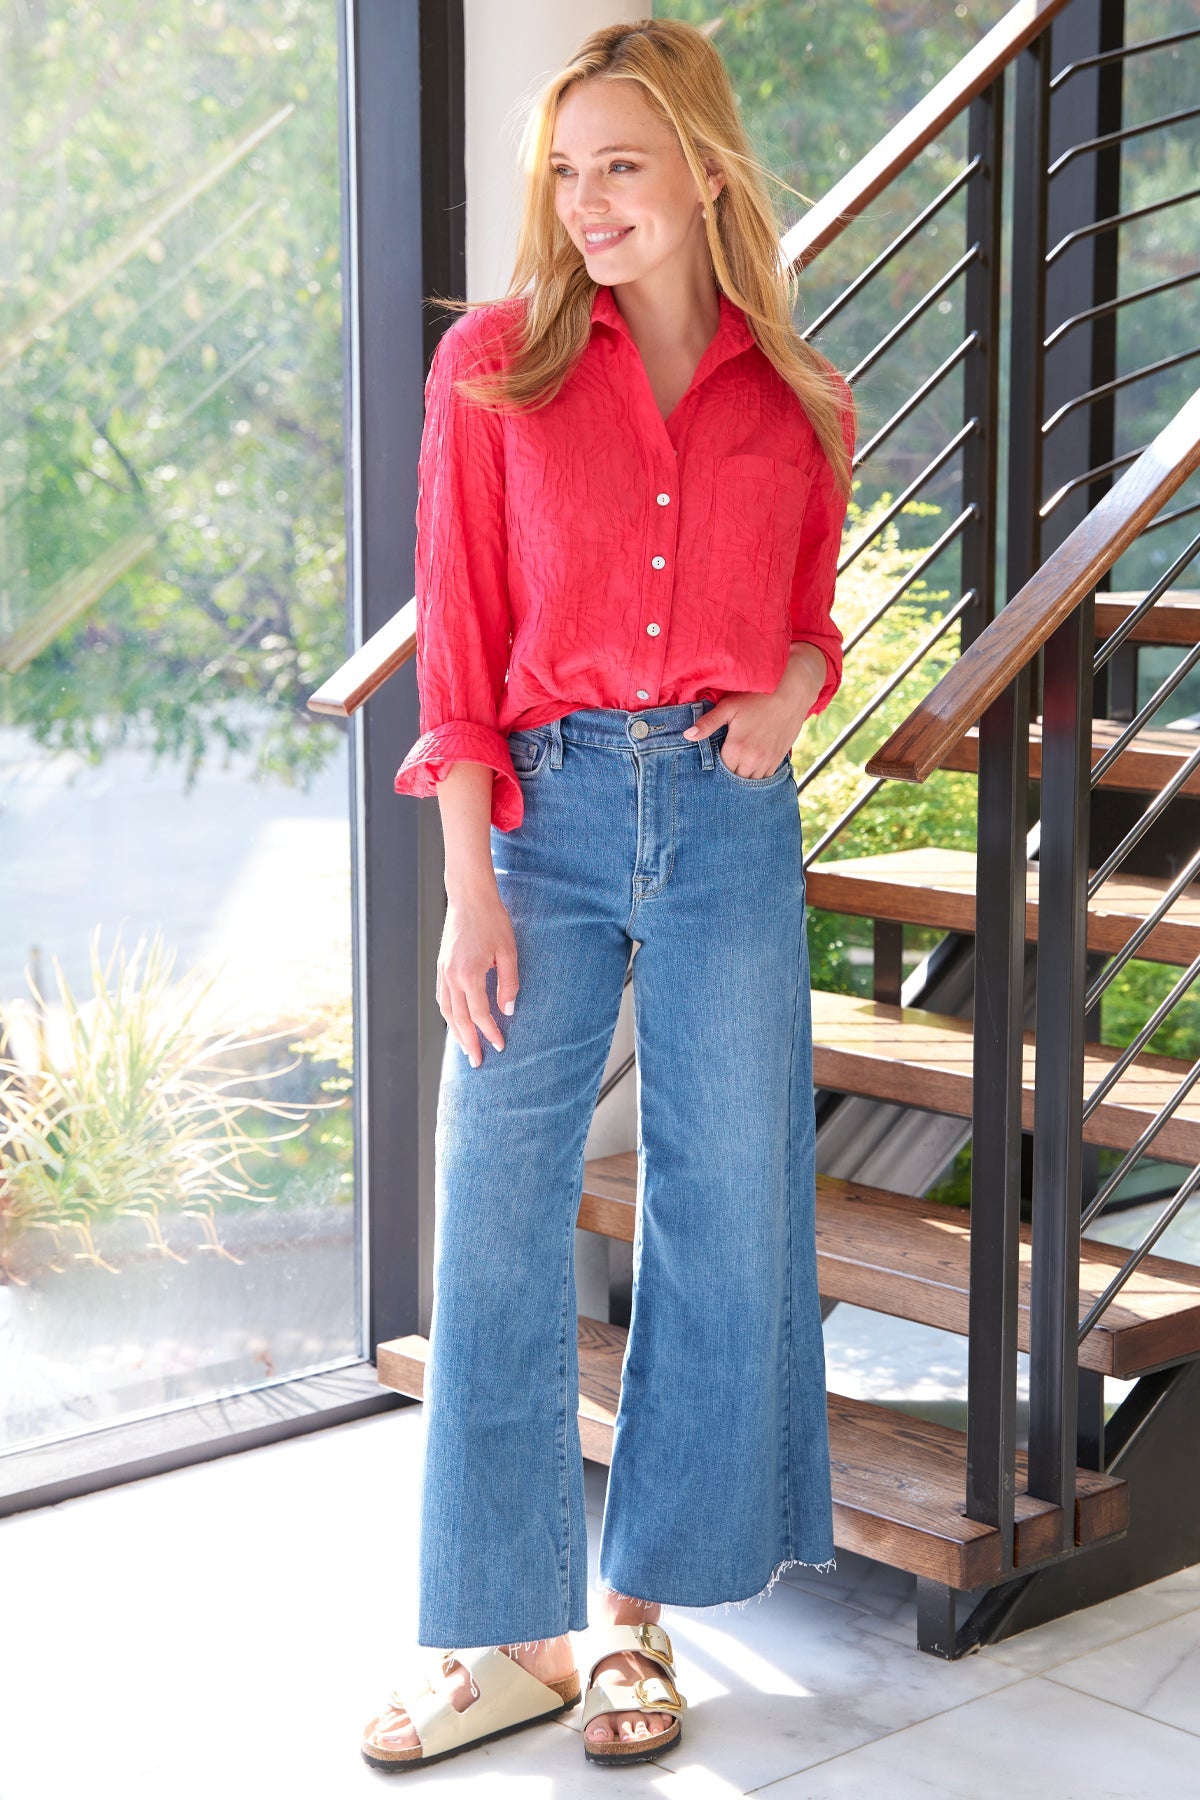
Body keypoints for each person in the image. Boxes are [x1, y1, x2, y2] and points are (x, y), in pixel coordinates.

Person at [360, 14, 856, 1776]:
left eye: (620, 164)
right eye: (564, 170)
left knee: (721, 1215)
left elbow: (811, 615)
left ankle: (641, 1629)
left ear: (705, 171)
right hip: (548, 821)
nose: (585, 201)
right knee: (494, 1211)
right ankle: (511, 1643)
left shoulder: (799, 399)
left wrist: (791, 693)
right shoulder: (491, 369)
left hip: (726, 823)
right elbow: (462, 653)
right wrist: (467, 892)